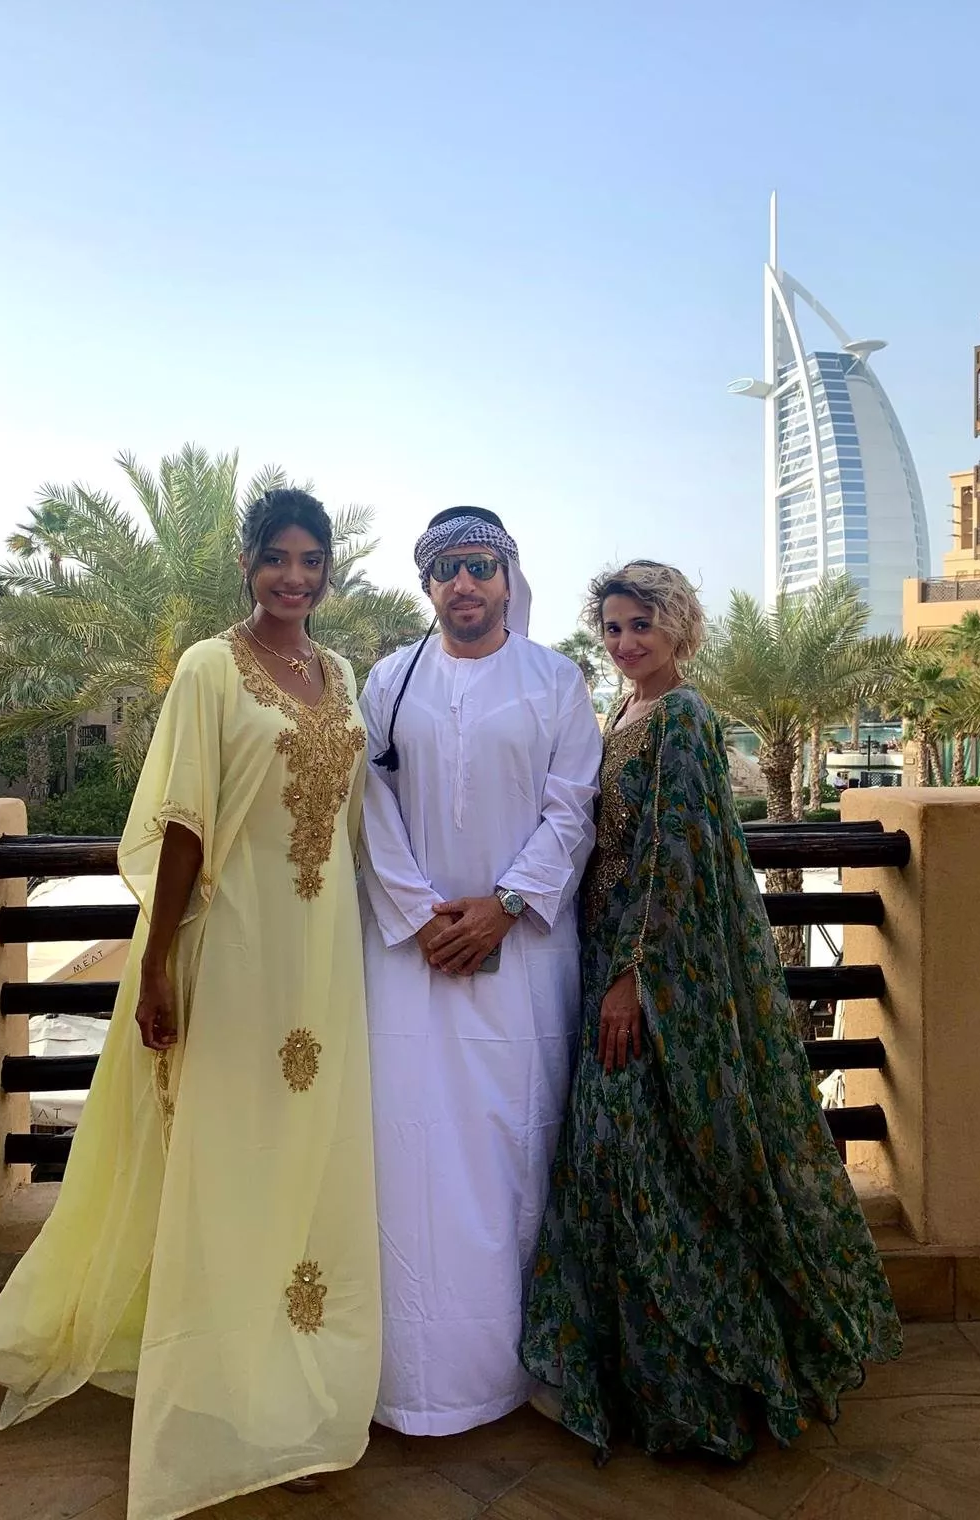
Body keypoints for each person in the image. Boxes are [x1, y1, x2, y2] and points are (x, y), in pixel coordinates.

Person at [0, 489, 381, 1520]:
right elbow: (184, 823)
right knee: (232, 1151)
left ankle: (295, 1365)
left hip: (319, 953)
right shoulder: (208, 667)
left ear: (328, 569)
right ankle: (233, 1390)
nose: (294, 576)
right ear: (246, 562)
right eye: (276, 557)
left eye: (311, 559)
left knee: (303, 1150)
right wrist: (155, 965)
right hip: (231, 946)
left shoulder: (340, 672)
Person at [521, 560, 902, 1463]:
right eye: (613, 628)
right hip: (607, 954)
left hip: (657, 979)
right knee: (624, 1159)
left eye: (641, 625)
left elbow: (677, 855)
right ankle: (637, 1380)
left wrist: (635, 979)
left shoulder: (684, 718)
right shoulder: (624, 711)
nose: (625, 643)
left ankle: (710, 1385)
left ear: (678, 627)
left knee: (656, 1159)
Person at [359, 505, 603, 1436]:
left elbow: (573, 807)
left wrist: (505, 904)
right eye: (447, 569)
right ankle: (418, 1381)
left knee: (516, 1152)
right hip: (409, 963)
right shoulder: (389, 680)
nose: (464, 583)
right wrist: (422, 916)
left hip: (524, 960)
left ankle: (517, 1369)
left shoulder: (556, 679)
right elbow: (368, 803)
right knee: (410, 1158)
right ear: (427, 584)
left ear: (508, 577)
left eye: (480, 566)